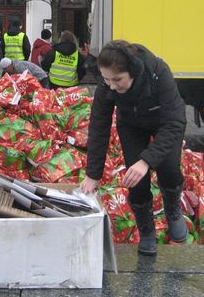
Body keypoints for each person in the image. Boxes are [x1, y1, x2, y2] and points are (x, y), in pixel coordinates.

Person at [80, 40, 190, 255]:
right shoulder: (107, 85)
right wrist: (93, 173)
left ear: (132, 71)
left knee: (168, 168)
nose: (112, 86)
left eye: (118, 80)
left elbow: (175, 122)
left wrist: (147, 160)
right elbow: (98, 126)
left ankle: (173, 209)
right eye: (106, 79)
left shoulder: (158, 73)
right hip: (131, 124)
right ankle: (146, 231)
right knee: (136, 179)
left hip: (164, 122)